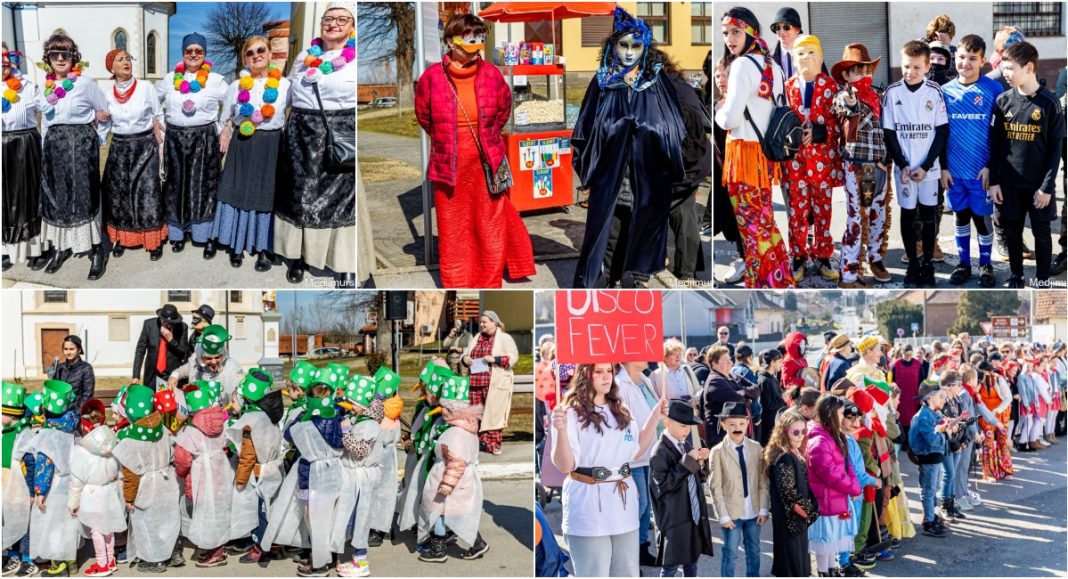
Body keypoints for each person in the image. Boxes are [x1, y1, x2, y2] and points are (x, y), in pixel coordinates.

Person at [414, 13, 533, 288]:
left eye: (480, 37)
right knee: (453, 226)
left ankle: (489, 279)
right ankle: (457, 279)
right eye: (471, 38)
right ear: (451, 41)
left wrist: (486, 134)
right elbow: (424, 115)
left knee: (489, 223)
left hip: (487, 160)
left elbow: (504, 108)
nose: (476, 43)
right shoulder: (431, 77)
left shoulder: (491, 73)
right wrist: (447, 137)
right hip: (449, 163)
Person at [571, 7, 686, 288]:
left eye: (637, 45)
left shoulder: (657, 84)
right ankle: (607, 282)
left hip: (647, 180)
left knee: (640, 233)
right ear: (613, 47)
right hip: (611, 178)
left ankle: (633, 279)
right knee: (608, 234)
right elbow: (584, 132)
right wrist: (588, 172)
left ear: (645, 48)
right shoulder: (602, 85)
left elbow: (674, 128)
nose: (630, 51)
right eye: (624, 45)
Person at [550, 363, 666, 577]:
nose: (606, 377)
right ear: (586, 375)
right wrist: (561, 431)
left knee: (627, 572)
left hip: (623, 503)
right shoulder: (569, 413)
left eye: (609, 371)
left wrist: (655, 417)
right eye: (599, 372)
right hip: (588, 502)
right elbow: (565, 465)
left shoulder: (620, 409)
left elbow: (635, 450)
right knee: (594, 572)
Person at [275, 3, 357, 286]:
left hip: (339, 133)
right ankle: (298, 255)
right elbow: (287, 92)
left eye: (341, 19)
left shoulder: (355, 59)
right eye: (328, 19)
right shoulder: (304, 57)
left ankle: (345, 263)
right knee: (299, 196)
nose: (333, 23)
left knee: (343, 200)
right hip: (300, 134)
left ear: (351, 26)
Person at [715, 7, 794, 287]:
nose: (729, 39)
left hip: (743, 157)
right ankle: (780, 278)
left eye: (736, 32)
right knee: (766, 224)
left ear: (750, 32)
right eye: (725, 33)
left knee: (752, 229)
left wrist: (718, 108)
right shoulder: (773, 65)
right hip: (764, 157)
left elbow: (729, 119)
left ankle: (763, 284)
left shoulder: (741, 66)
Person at [989, 41, 1065, 288]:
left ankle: (1042, 280)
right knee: (1012, 233)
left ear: (1029, 67)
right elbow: (997, 146)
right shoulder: (1002, 101)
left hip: (1038, 188)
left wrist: (1046, 188)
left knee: (1042, 234)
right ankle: (1016, 275)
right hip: (1009, 185)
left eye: (1010, 68)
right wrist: (995, 182)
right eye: (1004, 68)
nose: (1005, 73)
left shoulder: (1050, 104)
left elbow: (1056, 151)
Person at [212, 35, 291, 271]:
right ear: (245, 59)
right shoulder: (236, 86)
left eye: (260, 50)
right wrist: (225, 131)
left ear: (269, 54)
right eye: (250, 52)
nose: (256, 55)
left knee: (266, 194)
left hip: (271, 144)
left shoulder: (285, 85)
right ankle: (236, 244)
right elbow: (225, 117)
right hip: (242, 143)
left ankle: (264, 248)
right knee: (238, 191)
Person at [36, 33, 111, 279]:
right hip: (55, 149)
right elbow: (46, 123)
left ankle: (97, 249)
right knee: (58, 198)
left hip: (81, 148)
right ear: (48, 58)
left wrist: (96, 139)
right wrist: (45, 148)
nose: (59, 59)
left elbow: (104, 111)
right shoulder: (45, 87)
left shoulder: (85, 83)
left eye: (65, 54)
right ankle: (61, 248)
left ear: (73, 58)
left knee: (84, 197)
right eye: (54, 55)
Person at [882, 40, 949, 287]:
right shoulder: (892, 93)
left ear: (927, 66)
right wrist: (903, 164)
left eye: (916, 68)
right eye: (906, 66)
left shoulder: (934, 92)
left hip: (928, 170)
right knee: (908, 215)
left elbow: (941, 132)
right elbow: (889, 133)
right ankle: (912, 264)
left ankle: (928, 265)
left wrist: (927, 164)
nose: (910, 72)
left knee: (929, 215)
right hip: (905, 171)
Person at [264, 379, 345, 576]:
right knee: (328, 517)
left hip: (312, 475)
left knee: (313, 519)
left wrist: (304, 414)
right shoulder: (337, 419)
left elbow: (289, 434)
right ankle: (328, 556)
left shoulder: (307, 425)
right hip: (333, 473)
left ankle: (318, 564)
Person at [157, 32, 227, 259]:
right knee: (176, 186)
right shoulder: (170, 79)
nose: (194, 54)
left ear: (204, 54)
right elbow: (151, 102)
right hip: (175, 138)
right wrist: (154, 121)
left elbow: (233, 103)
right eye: (189, 51)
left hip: (204, 138)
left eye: (199, 51)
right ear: (183, 53)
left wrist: (226, 127)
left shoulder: (215, 80)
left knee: (203, 187)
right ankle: (178, 234)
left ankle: (204, 235)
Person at [938, 35, 1001, 287]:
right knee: (960, 218)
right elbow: (940, 134)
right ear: (955, 57)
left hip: (981, 173)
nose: (966, 63)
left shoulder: (993, 90)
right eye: (962, 57)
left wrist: (991, 168)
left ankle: (985, 265)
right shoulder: (944, 92)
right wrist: (943, 167)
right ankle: (964, 263)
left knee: (982, 221)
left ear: (983, 61)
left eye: (972, 59)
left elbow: (1000, 135)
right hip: (954, 172)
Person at [783, 34, 843, 283]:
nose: (806, 58)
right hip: (795, 161)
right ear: (793, 59)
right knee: (797, 209)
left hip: (822, 159)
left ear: (820, 58)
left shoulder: (830, 87)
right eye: (800, 54)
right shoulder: (787, 87)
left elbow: (838, 123)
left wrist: (820, 132)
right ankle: (798, 255)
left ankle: (822, 254)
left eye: (811, 53)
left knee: (823, 209)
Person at [831, 43, 892, 287]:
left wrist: (886, 159)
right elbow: (845, 105)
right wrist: (849, 97)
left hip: (878, 164)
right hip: (856, 166)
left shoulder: (877, 96)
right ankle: (848, 273)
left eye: (866, 70)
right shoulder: (844, 95)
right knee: (856, 218)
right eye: (857, 71)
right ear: (846, 75)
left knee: (878, 213)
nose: (863, 76)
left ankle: (875, 259)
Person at [100, 48, 167, 261]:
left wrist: (162, 143)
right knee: (119, 195)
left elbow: (158, 114)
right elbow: (105, 125)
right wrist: (94, 142)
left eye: (128, 58)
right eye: (120, 60)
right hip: (119, 147)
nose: (126, 62)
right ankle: (121, 238)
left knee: (148, 193)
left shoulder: (146, 87)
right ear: (111, 67)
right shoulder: (106, 93)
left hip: (145, 144)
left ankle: (152, 241)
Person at [418, 374, 492, 563]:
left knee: (439, 512)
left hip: (451, 483)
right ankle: (477, 543)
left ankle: (439, 549)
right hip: (461, 482)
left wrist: (446, 486)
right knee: (458, 514)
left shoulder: (456, 434)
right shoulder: (463, 427)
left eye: (444, 407)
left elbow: (456, 464)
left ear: (452, 410)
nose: (441, 410)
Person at [111, 385, 181, 573]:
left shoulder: (130, 441)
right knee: (168, 520)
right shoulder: (164, 428)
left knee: (147, 523)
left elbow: (131, 475)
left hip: (146, 486)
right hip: (167, 480)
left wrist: (129, 498)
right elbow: (173, 454)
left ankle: (154, 560)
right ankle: (174, 552)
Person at [226, 369, 285, 564]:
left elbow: (248, 455)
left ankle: (260, 547)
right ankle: (275, 545)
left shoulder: (250, 422)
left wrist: (241, 479)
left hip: (259, 474)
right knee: (272, 509)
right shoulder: (267, 415)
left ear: (245, 398)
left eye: (234, 401)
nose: (231, 405)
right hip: (274, 469)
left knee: (260, 513)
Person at [330, 371, 386, 576]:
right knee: (352, 516)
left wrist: (346, 434)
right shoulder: (362, 420)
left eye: (353, 403)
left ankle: (361, 562)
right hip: (354, 477)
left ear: (364, 406)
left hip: (360, 479)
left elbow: (360, 452)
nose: (350, 406)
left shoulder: (369, 425)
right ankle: (354, 556)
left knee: (359, 518)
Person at [649, 400, 713, 577]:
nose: (686, 430)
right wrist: (687, 463)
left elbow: (697, 476)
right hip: (673, 520)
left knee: (691, 563)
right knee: (670, 567)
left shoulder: (684, 444)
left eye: (689, 426)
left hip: (691, 516)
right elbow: (662, 486)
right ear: (667, 423)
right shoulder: (659, 451)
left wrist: (701, 462)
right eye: (683, 425)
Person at [173, 381, 233, 567]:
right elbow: (228, 445)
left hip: (202, 476)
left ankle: (215, 552)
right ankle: (218, 547)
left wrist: (181, 473)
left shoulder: (191, 431)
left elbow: (182, 459)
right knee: (219, 510)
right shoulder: (221, 423)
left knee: (205, 512)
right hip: (221, 472)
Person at [29, 381, 82, 576]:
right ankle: (72, 562)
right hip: (72, 482)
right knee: (69, 523)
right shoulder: (72, 428)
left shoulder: (48, 433)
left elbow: (45, 463)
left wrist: (40, 491)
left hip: (54, 485)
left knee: (52, 525)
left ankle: (57, 565)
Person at [709, 402, 767, 577]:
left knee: (754, 552)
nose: (737, 428)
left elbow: (763, 481)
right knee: (730, 553)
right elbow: (715, 486)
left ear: (748, 424)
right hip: (731, 514)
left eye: (741, 424)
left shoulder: (756, 448)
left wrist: (764, 508)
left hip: (753, 511)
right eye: (732, 424)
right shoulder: (718, 452)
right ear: (724, 424)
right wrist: (723, 515)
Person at [806, 395, 861, 577]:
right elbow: (831, 475)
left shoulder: (834, 436)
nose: (842, 416)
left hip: (836, 500)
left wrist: (854, 484)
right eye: (839, 413)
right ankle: (825, 573)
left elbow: (847, 465)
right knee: (825, 544)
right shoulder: (819, 441)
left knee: (832, 543)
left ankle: (832, 571)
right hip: (825, 502)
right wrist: (853, 488)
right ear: (830, 414)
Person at [2, 44, 44, 271]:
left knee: (28, 197)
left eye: (5, 55)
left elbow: (47, 108)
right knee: (4, 201)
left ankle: (35, 250)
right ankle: (5, 250)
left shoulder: (27, 85)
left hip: (25, 144)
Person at [67, 414, 126, 577]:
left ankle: (102, 564)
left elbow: (76, 481)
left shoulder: (81, 451)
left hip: (92, 495)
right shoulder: (111, 446)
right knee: (108, 527)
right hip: (110, 491)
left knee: (97, 530)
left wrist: (73, 504)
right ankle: (110, 560)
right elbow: (119, 472)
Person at [765, 409, 818, 578]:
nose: (800, 435)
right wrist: (810, 512)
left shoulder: (794, 453)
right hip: (791, 521)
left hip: (796, 519)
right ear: (784, 432)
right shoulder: (785, 458)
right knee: (792, 565)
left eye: (803, 431)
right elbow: (789, 494)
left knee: (798, 562)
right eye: (795, 432)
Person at [616, 362, 660, 566]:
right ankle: (629, 555)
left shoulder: (644, 379)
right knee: (638, 504)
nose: (646, 357)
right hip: (633, 455)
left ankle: (642, 548)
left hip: (651, 451)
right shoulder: (620, 384)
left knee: (646, 504)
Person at [460, 311, 517, 454]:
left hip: (493, 383)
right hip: (474, 382)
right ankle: (475, 443)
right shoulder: (477, 337)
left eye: (484, 322)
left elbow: (513, 357)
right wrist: (465, 358)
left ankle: (493, 445)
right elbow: (466, 353)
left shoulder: (504, 338)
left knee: (493, 415)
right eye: (481, 322)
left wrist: (495, 359)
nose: (481, 324)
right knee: (474, 415)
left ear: (493, 322)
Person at [2, 383, 36, 576]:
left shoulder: (23, 435)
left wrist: (31, 492)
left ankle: (28, 560)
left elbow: (30, 465)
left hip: (20, 488)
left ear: (11, 414)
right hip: (7, 488)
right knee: (10, 521)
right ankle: (13, 556)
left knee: (24, 525)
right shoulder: (4, 432)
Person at [909, 382, 949, 537]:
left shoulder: (934, 413)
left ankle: (931, 514)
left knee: (934, 488)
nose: (944, 399)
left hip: (935, 456)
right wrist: (945, 435)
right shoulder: (924, 415)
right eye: (940, 396)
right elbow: (932, 439)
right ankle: (929, 521)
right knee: (929, 489)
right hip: (928, 456)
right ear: (931, 398)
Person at [168, 324, 244, 401]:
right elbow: (184, 370)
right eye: (209, 358)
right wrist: (174, 376)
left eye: (217, 357)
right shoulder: (196, 362)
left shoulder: (232, 368)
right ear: (201, 358)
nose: (214, 362)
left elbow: (242, 387)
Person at [702, 347, 760, 447]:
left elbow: (756, 390)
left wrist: (743, 393)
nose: (730, 363)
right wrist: (746, 398)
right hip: (721, 438)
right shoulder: (714, 380)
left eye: (730, 359)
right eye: (725, 360)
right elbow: (736, 399)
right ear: (714, 363)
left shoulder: (733, 376)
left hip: (738, 435)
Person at [133, 304, 190, 387]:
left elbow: (183, 353)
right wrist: (136, 375)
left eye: (172, 323)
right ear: (160, 319)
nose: (169, 325)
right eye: (166, 323)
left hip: (171, 375)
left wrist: (171, 340)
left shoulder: (182, 327)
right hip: (152, 374)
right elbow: (140, 350)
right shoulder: (149, 325)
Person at [52, 335, 96, 414]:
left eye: (72, 349)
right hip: (60, 412)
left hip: (77, 414)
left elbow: (87, 395)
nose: (68, 352)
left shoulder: (86, 368)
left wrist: (75, 414)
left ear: (79, 350)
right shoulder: (60, 368)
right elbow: (55, 392)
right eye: (66, 349)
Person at [757, 349, 786, 446]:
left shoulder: (772, 377)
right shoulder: (764, 380)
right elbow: (767, 406)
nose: (781, 364)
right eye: (779, 362)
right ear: (773, 362)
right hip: (769, 426)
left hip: (775, 422)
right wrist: (783, 399)